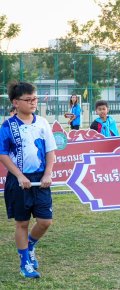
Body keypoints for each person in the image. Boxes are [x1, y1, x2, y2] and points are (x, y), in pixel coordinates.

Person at [0, 81, 57, 278]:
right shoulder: (8, 126)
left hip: (41, 180)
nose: (33, 102)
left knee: (45, 221)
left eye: (35, 99)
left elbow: (50, 151)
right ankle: (25, 263)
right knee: (22, 223)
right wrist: (19, 175)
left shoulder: (42, 122)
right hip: (19, 181)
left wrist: (48, 173)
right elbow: (3, 154)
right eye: (28, 99)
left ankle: (30, 244)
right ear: (16, 102)